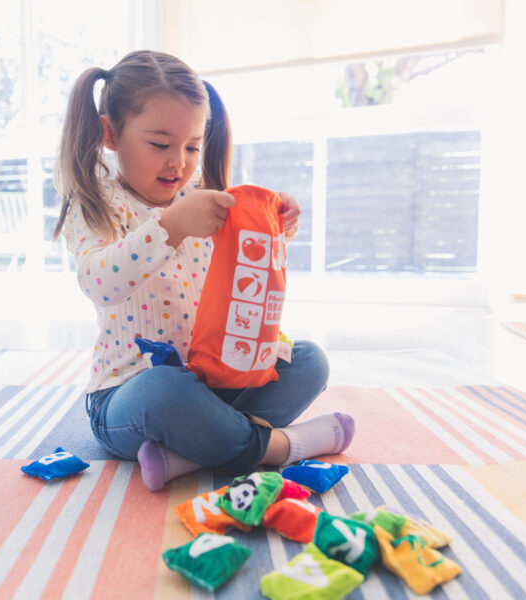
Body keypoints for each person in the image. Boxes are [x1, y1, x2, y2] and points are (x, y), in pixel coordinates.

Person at [53, 50, 354, 492]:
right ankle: (284, 446)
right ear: (110, 134)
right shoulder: (97, 202)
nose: (179, 161)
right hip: (126, 397)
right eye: (160, 145)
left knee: (308, 361)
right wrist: (170, 226)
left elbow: (246, 262)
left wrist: (276, 222)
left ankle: (187, 454)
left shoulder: (199, 196)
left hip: (213, 381)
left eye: (192, 146)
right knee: (164, 391)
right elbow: (99, 282)